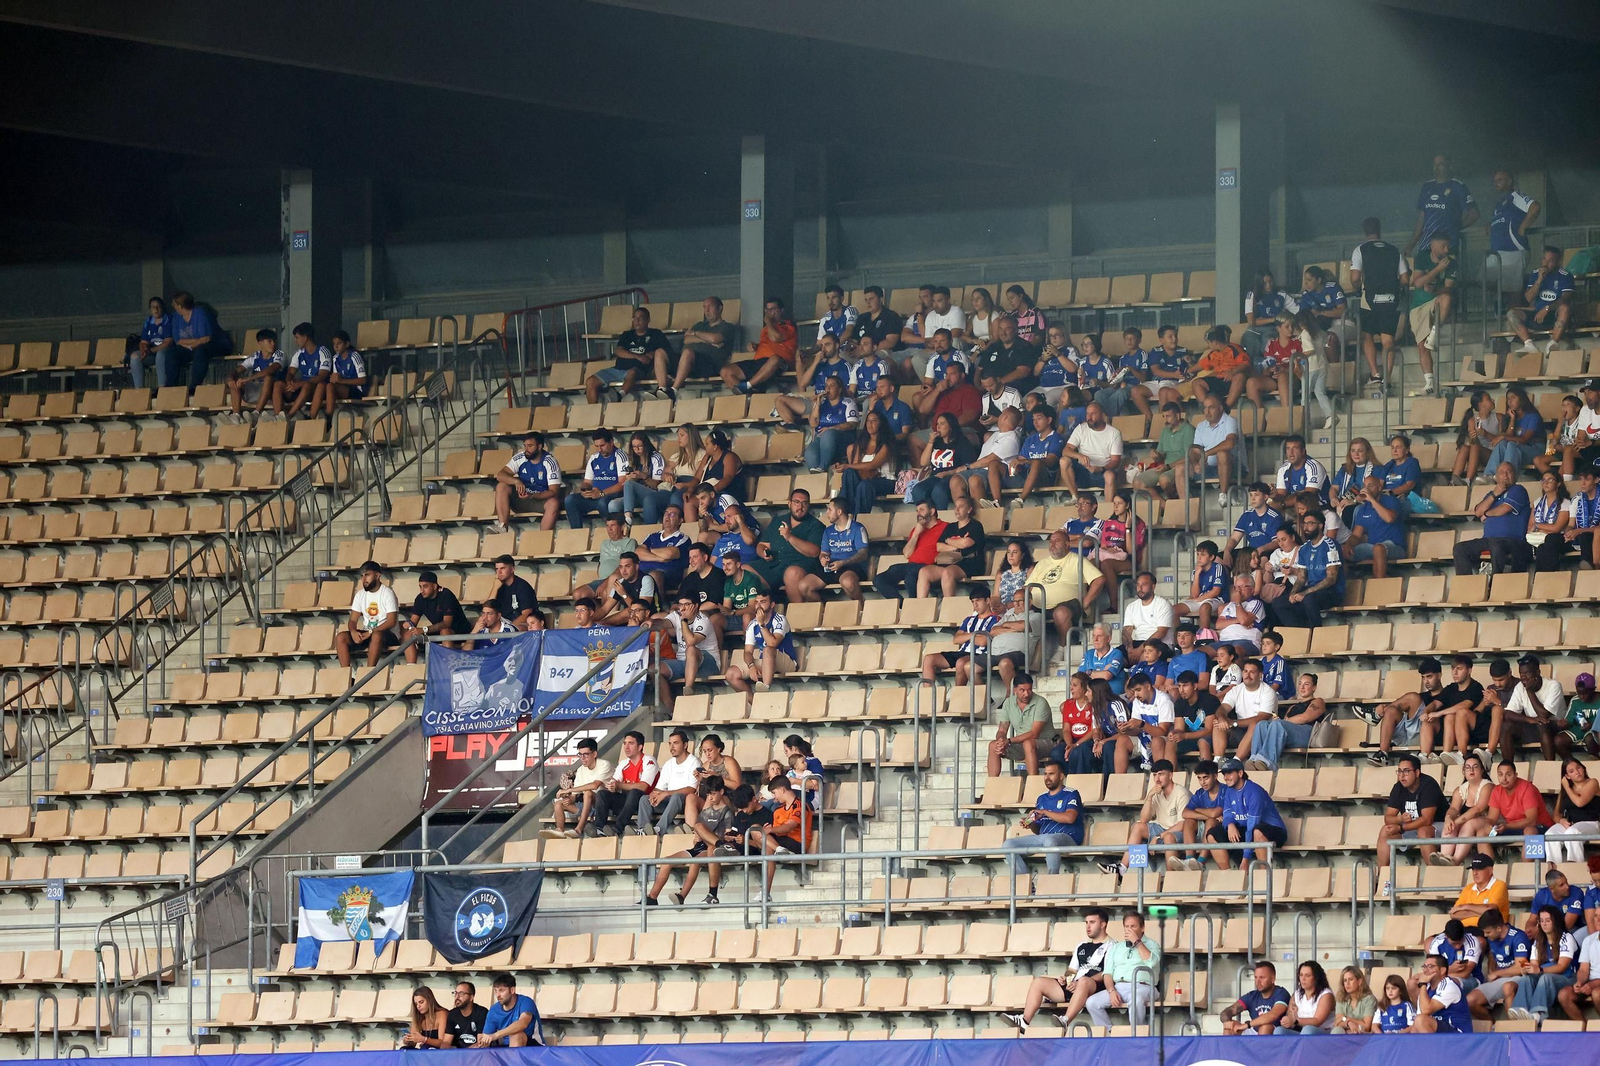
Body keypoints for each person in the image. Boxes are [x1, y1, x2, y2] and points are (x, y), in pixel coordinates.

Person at [1003, 908, 1110, 1031]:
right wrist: (1066, 979)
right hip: (1075, 986)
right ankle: (1024, 1021)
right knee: (1038, 982)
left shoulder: (1113, 945)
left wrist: (1080, 982)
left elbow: (1107, 972)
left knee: (1084, 981)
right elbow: (1072, 970)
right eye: (1086, 922)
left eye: (1092, 922)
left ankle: (1065, 1020)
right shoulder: (1082, 946)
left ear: (1103, 924)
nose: (1088, 926)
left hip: (1095, 987)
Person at [646, 776, 733, 906]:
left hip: (713, 848)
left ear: (721, 792)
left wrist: (710, 837)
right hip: (699, 847)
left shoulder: (727, 812)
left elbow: (728, 835)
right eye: (708, 794)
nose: (710, 798)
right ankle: (652, 898)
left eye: (713, 794)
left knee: (697, 858)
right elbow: (696, 838)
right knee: (666, 861)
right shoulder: (705, 812)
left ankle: (685, 896)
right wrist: (698, 837)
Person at [1103, 759, 1189, 878]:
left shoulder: (1181, 793)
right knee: (1138, 827)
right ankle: (1122, 868)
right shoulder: (1155, 792)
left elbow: (1182, 825)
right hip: (1160, 827)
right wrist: (1149, 796)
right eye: (1155, 775)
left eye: (1161, 774)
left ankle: (1171, 877)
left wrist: (1159, 836)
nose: (1157, 779)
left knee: (1168, 837)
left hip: (1179, 832)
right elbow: (1143, 820)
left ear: (1170, 775)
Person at [1349, 217, 1408, 386]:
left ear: (1364, 231)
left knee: (1366, 335)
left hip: (1369, 299)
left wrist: (1358, 288)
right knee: (1388, 340)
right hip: (1391, 299)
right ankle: (1387, 379)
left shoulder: (1360, 249)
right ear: (1380, 230)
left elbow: (1354, 277)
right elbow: (1404, 279)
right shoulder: (1394, 250)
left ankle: (1375, 374)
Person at [1083, 911, 1160, 1031]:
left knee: (1136, 1000)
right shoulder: (1117, 947)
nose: (1129, 930)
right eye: (1127, 927)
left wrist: (1137, 942)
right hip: (1119, 987)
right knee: (1092, 1002)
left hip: (1143, 987)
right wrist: (1111, 990)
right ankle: (1110, 1033)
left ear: (1143, 927)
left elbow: (1151, 961)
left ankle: (1138, 1034)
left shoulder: (1152, 944)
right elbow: (1107, 974)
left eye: (1133, 926)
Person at [1363, 658, 1446, 766]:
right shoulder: (1422, 697)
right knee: (1392, 711)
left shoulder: (1448, 695)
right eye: (1423, 677)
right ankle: (1383, 754)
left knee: (1413, 697)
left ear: (1439, 675)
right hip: (1407, 735)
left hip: (1429, 737)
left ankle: (1376, 714)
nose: (1426, 681)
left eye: (1429, 677)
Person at [1208, 758, 1286, 870]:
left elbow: (1252, 825)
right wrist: (1230, 824)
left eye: (1229, 773)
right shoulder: (1229, 791)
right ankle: (1229, 875)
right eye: (1224, 774)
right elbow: (1227, 814)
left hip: (1274, 830)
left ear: (1240, 773)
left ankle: (1264, 875)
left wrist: (1245, 859)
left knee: (1257, 831)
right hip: (1247, 829)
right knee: (1212, 834)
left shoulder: (1254, 791)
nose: (1225, 777)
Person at [1270, 510, 1343, 629]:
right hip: (1311, 590)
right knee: (1279, 603)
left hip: (1331, 592)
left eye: (1310, 523)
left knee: (1308, 599)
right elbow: (1301, 577)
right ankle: (1301, 633)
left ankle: (1316, 634)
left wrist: (1305, 592)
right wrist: (1293, 593)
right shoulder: (1304, 548)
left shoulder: (1330, 545)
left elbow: (1331, 579)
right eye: (1304, 523)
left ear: (1320, 526)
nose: (1306, 527)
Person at [750, 489, 824, 603]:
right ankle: (761, 610)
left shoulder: (816, 525)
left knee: (792, 573)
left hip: (800, 565)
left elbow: (814, 552)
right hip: (774, 564)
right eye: (797, 502)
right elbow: (761, 545)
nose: (800, 507)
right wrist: (763, 553)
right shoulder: (777, 521)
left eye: (805, 503)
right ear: (789, 504)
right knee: (744, 570)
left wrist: (790, 537)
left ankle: (797, 613)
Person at [724, 590, 796, 705]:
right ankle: (755, 703)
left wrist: (762, 624)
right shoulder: (752, 624)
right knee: (731, 674)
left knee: (768, 649)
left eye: (763, 601)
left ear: (772, 604)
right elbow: (747, 652)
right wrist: (751, 666)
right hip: (765, 661)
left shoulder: (780, 619)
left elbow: (773, 643)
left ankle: (765, 687)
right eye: (756, 602)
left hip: (787, 662)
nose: (758, 605)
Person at [1407, 232, 1457, 397]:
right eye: (1443, 245)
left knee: (1447, 297)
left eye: (1447, 246)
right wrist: (1437, 269)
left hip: (1437, 300)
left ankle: (1435, 331)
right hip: (1418, 306)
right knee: (1422, 345)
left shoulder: (1452, 261)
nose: (1446, 249)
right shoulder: (1421, 257)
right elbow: (1417, 283)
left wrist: (1435, 289)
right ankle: (1429, 382)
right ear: (1433, 245)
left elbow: (1449, 288)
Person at [587, 306, 671, 403]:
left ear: (648, 320)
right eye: (635, 318)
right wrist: (638, 356)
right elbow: (618, 351)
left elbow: (664, 352)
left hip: (639, 370)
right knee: (590, 381)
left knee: (632, 372)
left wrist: (652, 354)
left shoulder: (656, 334)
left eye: (640, 318)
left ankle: (619, 395)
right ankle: (594, 413)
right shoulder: (627, 335)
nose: (637, 321)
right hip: (617, 369)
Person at [1506, 906, 1577, 1020]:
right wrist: (1528, 969)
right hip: (1547, 977)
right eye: (1541, 921)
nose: (1544, 924)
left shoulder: (1566, 938)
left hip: (1568, 978)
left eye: (1548, 921)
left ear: (1556, 921)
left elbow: (1562, 967)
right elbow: (1534, 964)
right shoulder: (1539, 940)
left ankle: (1538, 1013)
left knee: (1545, 978)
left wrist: (1540, 970)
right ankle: (1519, 1010)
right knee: (1526, 977)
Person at [1376, 754, 1445, 869]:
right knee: (1385, 831)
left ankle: (1434, 875)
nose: (1402, 776)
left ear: (1417, 773)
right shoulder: (1398, 787)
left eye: (1406, 771)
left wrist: (1401, 828)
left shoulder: (1428, 785)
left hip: (1438, 826)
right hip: (1412, 828)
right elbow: (1388, 818)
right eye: (1399, 771)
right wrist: (1400, 819)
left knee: (1423, 831)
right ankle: (1382, 876)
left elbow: (1427, 819)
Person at [921, 586, 997, 687]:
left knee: (960, 663)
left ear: (987, 600)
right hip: (961, 652)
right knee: (928, 659)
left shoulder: (996, 619)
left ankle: (958, 696)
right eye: (973, 602)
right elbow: (956, 639)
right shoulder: (969, 619)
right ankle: (927, 696)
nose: (975, 605)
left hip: (980, 654)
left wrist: (965, 636)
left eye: (978, 601)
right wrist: (973, 635)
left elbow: (983, 641)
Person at [1486, 169, 1541, 306]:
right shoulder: (1499, 204)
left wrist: (1523, 227)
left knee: (1513, 289)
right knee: (1486, 281)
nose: (1496, 183)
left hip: (1514, 250)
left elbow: (1535, 207)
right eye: (1495, 181)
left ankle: (1514, 318)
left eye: (1500, 180)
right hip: (1497, 252)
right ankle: (1503, 310)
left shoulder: (1516, 196)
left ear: (1509, 181)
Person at [873, 499, 948, 601]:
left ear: (932, 511)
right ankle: (902, 605)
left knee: (910, 579)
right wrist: (916, 533)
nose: (918, 513)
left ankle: (915, 607)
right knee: (879, 579)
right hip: (910, 565)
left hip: (928, 566)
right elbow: (907, 554)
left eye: (921, 510)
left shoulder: (945, 527)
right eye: (917, 511)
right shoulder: (917, 529)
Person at [721, 297, 798, 395]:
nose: (770, 312)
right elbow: (768, 344)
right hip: (760, 362)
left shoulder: (788, 326)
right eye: (768, 310)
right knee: (726, 371)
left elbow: (776, 338)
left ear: (781, 310)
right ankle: (750, 396)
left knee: (775, 359)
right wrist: (755, 346)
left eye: (773, 309)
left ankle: (748, 386)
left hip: (779, 363)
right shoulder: (765, 329)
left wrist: (768, 321)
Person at [540, 737, 613, 840]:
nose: (582, 758)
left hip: (603, 805)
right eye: (580, 754)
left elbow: (595, 785)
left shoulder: (604, 764)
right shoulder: (580, 770)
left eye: (586, 754)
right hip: (586, 805)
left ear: (594, 754)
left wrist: (569, 790)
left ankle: (578, 829)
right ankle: (559, 830)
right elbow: (574, 795)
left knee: (588, 793)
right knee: (559, 803)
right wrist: (569, 799)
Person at [1407, 153, 1479, 256]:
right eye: (1435, 164)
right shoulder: (1427, 186)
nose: (1436, 167)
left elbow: (1474, 214)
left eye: (1440, 164)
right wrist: (1411, 245)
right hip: (1426, 245)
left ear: (1449, 166)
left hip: (1447, 247)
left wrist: (1455, 227)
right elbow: (1422, 217)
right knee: (1422, 272)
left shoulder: (1458, 186)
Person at [491, 432, 563, 534]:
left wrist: (533, 495)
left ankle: (542, 537)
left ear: (539, 446)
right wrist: (516, 481)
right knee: (502, 486)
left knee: (554, 503)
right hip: (521, 499)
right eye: (525, 446)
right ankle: (502, 526)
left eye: (530, 446)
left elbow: (554, 491)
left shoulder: (550, 462)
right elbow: (500, 475)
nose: (526, 449)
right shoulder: (520, 457)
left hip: (540, 500)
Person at [1467, 907, 1533, 1019]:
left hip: (1520, 978)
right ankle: (1493, 1027)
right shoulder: (1492, 938)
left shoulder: (1518, 937)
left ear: (1498, 928)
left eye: (1488, 932)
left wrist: (1498, 973)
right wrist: (1491, 970)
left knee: (1508, 987)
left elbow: (1521, 968)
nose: (1485, 935)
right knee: (1470, 1000)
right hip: (1500, 979)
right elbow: (1493, 954)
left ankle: (1511, 1030)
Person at [801, 495, 869, 602]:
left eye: (829, 509)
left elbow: (863, 554)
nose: (826, 513)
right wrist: (823, 559)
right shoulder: (828, 531)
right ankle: (825, 610)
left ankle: (862, 607)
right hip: (831, 567)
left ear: (839, 512)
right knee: (804, 586)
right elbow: (824, 553)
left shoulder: (858, 528)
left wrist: (842, 563)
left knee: (848, 582)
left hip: (851, 567)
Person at [1509, 245, 1576, 354]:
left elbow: (1565, 299)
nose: (1546, 263)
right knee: (1512, 314)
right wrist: (1539, 280)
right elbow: (1528, 297)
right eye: (1544, 259)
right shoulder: (1536, 274)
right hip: (1537, 314)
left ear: (1558, 262)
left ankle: (1554, 342)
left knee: (1565, 308)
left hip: (1555, 314)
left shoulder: (1565, 276)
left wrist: (1547, 308)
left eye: (1551, 261)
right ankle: (1529, 345)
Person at [917, 494, 986, 598]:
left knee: (947, 572)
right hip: (949, 562)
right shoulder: (951, 527)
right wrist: (956, 545)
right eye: (955, 506)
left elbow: (966, 543)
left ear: (969, 509)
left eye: (961, 506)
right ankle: (921, 607)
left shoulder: (975, 525)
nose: (957, 509)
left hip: (970, 563)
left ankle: (948, 605)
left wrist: (949, 541)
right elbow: (939, 546)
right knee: (924, 572)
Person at [590, 731, 658, 835]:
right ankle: (598, 828)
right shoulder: (623, 763)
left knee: (635, 792)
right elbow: (615, 783)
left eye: (630, 743)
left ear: (640, 747)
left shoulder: (649, 761)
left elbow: (643, 787)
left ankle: (617, 829)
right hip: (628, 801)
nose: (626, 747)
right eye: (625, 743)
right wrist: (610, 786)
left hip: (646, 802)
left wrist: (619, 785)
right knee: (602, 794)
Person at [1213, 660, 1278, 768]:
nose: (1247, 675)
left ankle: (1236, 762)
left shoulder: (1268, 692)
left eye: (1252, 672)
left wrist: (1233, 723)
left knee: (1256, 724)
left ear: (1260, 675)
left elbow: (1262, 717)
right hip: (1240, 731)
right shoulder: (1236, 690)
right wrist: (1222, 719)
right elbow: (1222, 708)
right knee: (1218, 724)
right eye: (1245, 671)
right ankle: (1218, 761)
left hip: (1261, 734)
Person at [1500, 653, 1564, 762]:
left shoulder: (1553, 685)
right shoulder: (1520, 687)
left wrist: (1529, 691)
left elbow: (1544, 715)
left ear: (1538, 672)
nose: (1524, 678)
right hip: (1533, 725)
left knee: (1542, 724)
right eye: (1521, 674)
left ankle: (1550, 766)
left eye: (1527, 673)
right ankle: (1507, 766)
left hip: (1555, 725)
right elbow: (1508, 714)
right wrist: (1529, 719)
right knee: (1506, 726)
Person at [635, 729, 700, 835]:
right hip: (669, 801)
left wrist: (666, 793)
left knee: (676, 797)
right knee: (644, 799)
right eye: (670, 743)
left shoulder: (694, 762)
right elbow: (659, 787)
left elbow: (691, 789)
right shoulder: (668, 764)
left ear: (685, 745)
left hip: (685, 802)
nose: (672, 747)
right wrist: (654, 795)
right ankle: (643, 830)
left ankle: (659, 829)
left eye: (676, 743)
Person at [335, 561, 400, 669]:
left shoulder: (388, 593)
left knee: (376, 635)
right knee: (341, 637)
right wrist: (353, 631)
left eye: (367, 575)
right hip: (368, 632)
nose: (363, 579)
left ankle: (368, 674)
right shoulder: (360, 595)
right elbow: (352, 621)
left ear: (378, 575)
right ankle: (346, 674)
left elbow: (391, 621)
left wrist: (371, 632)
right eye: (361, 576)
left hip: (388, 634)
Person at [988, 673, 1052, 779]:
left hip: (1046, 742)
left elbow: (1034, 733)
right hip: (1021, 744)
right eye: (1022, 690)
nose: (1026, 694)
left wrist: (1008, 741)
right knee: (993, 745)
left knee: (1028, 743)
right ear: (1015, 690)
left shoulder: (1041, 702)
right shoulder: (1008, 703)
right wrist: (1001, 741)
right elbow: (1002, 729)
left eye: (1029, 690)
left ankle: (1033, 783)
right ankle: (992, 785)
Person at [1342, 474, 1405, 579]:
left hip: (1394, 546)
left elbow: (1389, 518)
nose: (1366, 489)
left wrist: (1372, 500)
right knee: (1339, 551)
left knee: (1379, 548)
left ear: (1380, 488)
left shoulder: (1391, 501)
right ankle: (1343, 590)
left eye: (1370, 486)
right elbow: (1356, 535)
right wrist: (1348, 545)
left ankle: (1378, 588)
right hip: (1371, 547)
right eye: (1365, 486)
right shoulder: (1362, 509)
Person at [835, 409, 897, 515]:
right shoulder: (861, 444)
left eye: (874, 421)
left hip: (886, 481)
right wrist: (845, 467)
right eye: (868, 421)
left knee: (864, 485)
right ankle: (846, 514)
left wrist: (847, 465)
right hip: (867, 478)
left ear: (881, 424)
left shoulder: (886, 445)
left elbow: (873, 465)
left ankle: (859, 519)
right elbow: (855, 467)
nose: (870, 424)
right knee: (849, 472)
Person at [565, 428, 630, 528]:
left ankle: (612, 531)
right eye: (597, 446)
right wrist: (585, 490)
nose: (599, 449)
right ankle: (577, 532)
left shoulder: (620, 456)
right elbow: (587, 482)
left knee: (603, 503)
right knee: (570, 500)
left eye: (602, 445)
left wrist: (601, 493)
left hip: (612, 495)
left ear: (611, 442)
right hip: (595, 495)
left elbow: (623, 483)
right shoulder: (594, 458)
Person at [672, 296, 737, 396]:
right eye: (704, 307)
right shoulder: (699, 326)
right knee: (660, 353)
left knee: (688, 352)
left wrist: (696, 334)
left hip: (709, 366)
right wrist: (706, 339)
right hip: (688, 364)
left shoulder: (727, 327)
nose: (707, 310)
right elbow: (687, 339)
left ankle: (673, 390)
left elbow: (715, 338)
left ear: (719, 308)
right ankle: (662, 388)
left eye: (710, 306)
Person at [1130, 402, 1196, 500]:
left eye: (1168, 416)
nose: (1165, 420)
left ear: (1178, 415)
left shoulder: (1188, 430)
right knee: (1137, 482)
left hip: (1180, 468)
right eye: (1164, 416)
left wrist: (1168, 466)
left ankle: (1174, 501)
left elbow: (1190, 456)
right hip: (1164, 467)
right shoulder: (1165, 430)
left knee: (1164, 480)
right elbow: (1161, 455)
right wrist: (1156, 455)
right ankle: (1164, 507)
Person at [1439, 755, 1496, 867]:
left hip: (1490, 823)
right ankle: (1444, 857)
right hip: (1470, 826)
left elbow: (1478, 809)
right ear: (1463, 771)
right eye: (1468, 767)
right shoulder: (1461, 789)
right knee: (1450, 825)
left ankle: (1455, 860)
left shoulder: (1487, 786)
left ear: (1482, 770)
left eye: (1475, 767)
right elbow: (1454, 808)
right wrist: (1448, 818)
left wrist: (1455, 822)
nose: (1471, 770)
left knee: (1469, 822)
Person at [1060, 402, 1123, 498]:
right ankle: (1074, 497)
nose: (1089, 417)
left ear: (1102, 415)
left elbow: (1115, 461)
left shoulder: (1114, 433)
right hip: (1083, 472)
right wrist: (1079, 456)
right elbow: (1066, 451)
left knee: (1110, 475)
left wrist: (1101, 469)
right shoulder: (1081, 428)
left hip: (1102, 472)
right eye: (1087, 414)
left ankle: (1108, 510)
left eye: (1093, 413)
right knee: (1064, 461)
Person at [1190, 395, 1241, 507]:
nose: (1207, 411)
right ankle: (1187, 508)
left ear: (1220, 408)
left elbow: (1230, 443)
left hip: (1234, 467)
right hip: (1209, 468)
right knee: (1181, 468)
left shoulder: (1230, 421)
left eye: (1211, 407)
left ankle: (1223, 494)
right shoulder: (1201, 426)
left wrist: (1206, 453)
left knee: (1222, 454)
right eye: (1205, 407)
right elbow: (1195, 451)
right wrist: (1195, 464)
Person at [1484, 385, 1545, 479]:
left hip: (1535, 449)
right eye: (1508, 398)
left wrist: (1503, 437)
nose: (1510, 401)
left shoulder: (1533, 416)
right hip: (1517, 449)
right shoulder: (1511, 417)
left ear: (1521, 399)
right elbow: (1507, 437)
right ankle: (1489, 476)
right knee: (1502, 444)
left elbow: (1525, 439)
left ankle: (1508, 476)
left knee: (1511, 444)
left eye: (1513, 398)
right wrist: (1512, 419)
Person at [400, 569, 462, 661]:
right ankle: (411, 666)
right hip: (437, 631)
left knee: (445, 631)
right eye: (420, 587)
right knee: (408, 634)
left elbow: (447, 623)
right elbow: (413, 621)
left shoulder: (446, 595)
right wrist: (408, 624)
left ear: (434, 586)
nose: (422, 590)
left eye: (425, 587)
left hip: (459, 631)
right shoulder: (420, 598)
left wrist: (424, 629)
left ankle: (449, 666)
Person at [802, 374, 858, 473]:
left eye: (832, 386)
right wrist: (818, 404)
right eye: (826, 386)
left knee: (828, 434)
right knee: (810, 452)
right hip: (821, 439)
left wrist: (832, 428)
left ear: (840, 389)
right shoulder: (822, 404)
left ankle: (823, 467)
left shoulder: (848, 403)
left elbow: (852, 424)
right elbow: (812, 424)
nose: (828, 389)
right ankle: (817, 476)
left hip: (842, 439)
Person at [1224, 483, 1285, 572]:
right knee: (1219, 557)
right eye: (1251, 495)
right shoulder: (1246, 515)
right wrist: (1227, 551)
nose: (1253, 498)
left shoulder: (1274, 516)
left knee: (1262, 558)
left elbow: (1277, 542)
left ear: (1265, 497)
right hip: (1251, 551)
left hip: (1267, 551)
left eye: (1256, 495)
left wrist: (1261, 549)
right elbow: (1234, 538)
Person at [1549, 757, 1600, 863]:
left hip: (1591, 823)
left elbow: (1580, 802)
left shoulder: (1592, 782)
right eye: (1571, 771)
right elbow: (1556, 814)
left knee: (1572, 832)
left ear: (1583, 769)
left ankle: (1575, 865)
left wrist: (1567, 787)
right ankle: (1554, 869)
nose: (1577, 772)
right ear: (1567, 776)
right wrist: (1561, 821)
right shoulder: (1565, 790)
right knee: (1550, 834)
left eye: (1579, 768)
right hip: (1570, 824)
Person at [227, 329, 285, 421]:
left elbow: (270, 370)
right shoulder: (255, 356)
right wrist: (230, 378)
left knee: (268, 377)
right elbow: (238, 369)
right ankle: (236, 416)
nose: (273, 344)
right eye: (269, 341)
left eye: (274, 341)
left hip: (271, 392)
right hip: (256, 390)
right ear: (260, 343)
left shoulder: (279, 354)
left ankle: (256, 413)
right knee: (235, 382)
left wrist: (248, 379)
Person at [1408, 954, 1473, 1033]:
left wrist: (1422, 984)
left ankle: (1431, 1046)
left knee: (1421, 1020)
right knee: (1417, 1023)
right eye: (1424, 967)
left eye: (1430, 966)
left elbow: (1426, 1010)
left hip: (1458, 1034)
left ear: (1442, 970)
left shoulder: (1449, 986)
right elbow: (1417, 1021)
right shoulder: (1426, 989)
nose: (1425, 970)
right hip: (1441, 1032)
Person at [1222, 960, 1290, 1035]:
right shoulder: (1252, 995)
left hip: (1276, 1035)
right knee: (1230, 1028)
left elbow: (1273, 1015)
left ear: (1273, 978)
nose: (1258, 981)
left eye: (1262, 977)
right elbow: (1228, 1011)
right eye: (1255, 977)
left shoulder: (1281, 993)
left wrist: (1247, 1025)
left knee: (1265, 1027)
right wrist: (1227, 1022)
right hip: (1254, 1031)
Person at [1189, 325, 1251, 407]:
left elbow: (1245, 363)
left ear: (1215, 343)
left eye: (1209, 343)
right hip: (1218, 380)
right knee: (1196, 383)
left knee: (1239, 376)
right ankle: (1207, 409)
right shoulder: (1213, 353)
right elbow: (1201, 365)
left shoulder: (1234, 348)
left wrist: (1233, 372)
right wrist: (1188, 371)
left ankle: (1226, 408)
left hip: (1232, 380)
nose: (1208, 346)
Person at [1174, 539, 1228, 633]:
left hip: (1216, 599)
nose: (1199, 558)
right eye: (1198, 554)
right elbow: (1194, 595)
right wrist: (1197, 574)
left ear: (1211, 557)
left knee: (1204, 607)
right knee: (1172, 610)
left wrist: (1197, 600)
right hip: (1199, 599)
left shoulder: (1218, 567)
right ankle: (1178, 638)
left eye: (1202, 555)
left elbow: (1215, 591)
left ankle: (1203, 638)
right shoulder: (1195, 571)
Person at [170, 291, 220, 391]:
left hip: (207, 346)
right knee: (172, 353)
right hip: (188, 347)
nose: (173, 306)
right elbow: (178, 341)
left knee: (200, 352)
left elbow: (206, 338)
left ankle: (194, 386)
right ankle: (170, 385)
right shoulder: (176, 317)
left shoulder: (200, 313)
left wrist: (192, 345)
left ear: (180, 305)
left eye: (175, 304)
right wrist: (195, 342)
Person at [618, 432, 669, 527]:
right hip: (637, 495)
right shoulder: (632, 459)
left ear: (646, 445)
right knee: (613, 504)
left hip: (654, 493)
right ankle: (621, 529)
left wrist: (644, 476)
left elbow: (657, 485)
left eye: (639, 446)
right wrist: (630, 477)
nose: (637, 450)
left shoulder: (656, 457)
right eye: (634, 447)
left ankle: (628, 517)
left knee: (629, 484)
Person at [282, 322, 332, 416]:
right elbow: (290, 372)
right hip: (302, 388)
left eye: (297, 338)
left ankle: (289, 416)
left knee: (307, 385)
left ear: (305, 337)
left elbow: (321, 376)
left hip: (318, 389)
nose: (295, 341)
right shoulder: (299, 353)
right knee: (277, 385)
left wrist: (300, 384)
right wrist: (289, 381)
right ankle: (278, 416)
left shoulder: (323, 352)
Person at [480, 973, 541, 1047]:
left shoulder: (526, 1002)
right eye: (496, 991)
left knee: (516, 1035)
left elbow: (522, 1023)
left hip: (533, 1048)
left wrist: (496, 1035)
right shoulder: (494, 1009)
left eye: (501, 990)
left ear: (512, 990)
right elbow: (486, 1037)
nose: (498, 995)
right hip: (507, 1047)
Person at [1428, 917, 1485, 993]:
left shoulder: (1472, 942)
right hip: (1443, 978)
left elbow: (1465, 974)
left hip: (1471, 979)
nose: (1458, 946)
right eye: (1454, 943)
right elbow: (1431, 971)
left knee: (1448, 984)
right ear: (1446, 936)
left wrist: (1442, 972)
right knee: (1414, 983)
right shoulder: (1437, 943)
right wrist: (1451, 968)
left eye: (1460, 942)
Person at [1242, 270, 1290, 357]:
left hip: (1272, 328)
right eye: (1265, 283)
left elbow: (1297, 310)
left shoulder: (1280, 294)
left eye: (1270, 282)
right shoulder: (1251, 295)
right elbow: (1251, 321)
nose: (1268, 285)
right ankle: (1253, 367)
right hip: (1254, 329)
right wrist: (1272, 319)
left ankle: (1268, 366)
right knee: (1250, 341)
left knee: (1268, 343)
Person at [323, 331, 369, 415]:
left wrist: (342, 381)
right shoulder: (335, 358)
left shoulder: (355, 356)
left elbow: (363, 380)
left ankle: (329, 415)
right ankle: (327, 414)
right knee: (326, 386)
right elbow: (335, 379)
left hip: (357, 390)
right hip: (344, 388)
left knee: (330, 386)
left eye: (339, 343)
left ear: (347, 344)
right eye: (334, 344)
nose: (336, 346)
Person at [1283, 961, 1335, 1034]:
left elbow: (1317, 1021)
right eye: (1301, 975)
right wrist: (1287, 1021)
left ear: (1316, 977)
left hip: (1323, 1032)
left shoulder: (1326, 995)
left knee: (1308, 1030)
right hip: (1301, 1032)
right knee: (1279, 1031)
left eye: (1307, 975)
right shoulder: (1296, 995)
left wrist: (1296, 1021)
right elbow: (1290, 1016)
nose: (1303, 979)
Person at [135, 295, 175, 389]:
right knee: (135, 357)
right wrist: (143, 350)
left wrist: (152, 350)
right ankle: (139, 390)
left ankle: (162, 387)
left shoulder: (168, 320)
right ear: (150, 309)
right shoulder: (148, 321)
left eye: (158, 307)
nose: (156, 309)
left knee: (160, 354)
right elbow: (143, 342)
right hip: (150, 352)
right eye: (153, 307)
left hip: (165, 351)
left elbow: (168, 342)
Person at [442, 981, 489, 1047]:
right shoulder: (452, 1014)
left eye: (461, 993)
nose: (457, 997)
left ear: (471, 997)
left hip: (476, 1055)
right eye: (455, 993)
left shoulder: (481, 1013)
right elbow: (446, 1041)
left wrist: (464, 1053)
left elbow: (481, 1043)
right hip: (457, 1054)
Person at [1330, 967, 1377, 1034]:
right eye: (1345, 980)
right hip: (1346, 1031)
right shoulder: (1341, 998)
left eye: (1351, 979)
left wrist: (1347, 1019)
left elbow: (1367, 1026)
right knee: (1336, 1030)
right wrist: (1348, 1022)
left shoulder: (1369, 999)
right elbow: (1337, 1023)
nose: (1347, 983)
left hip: (1363, 1034)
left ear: (1359, 981)